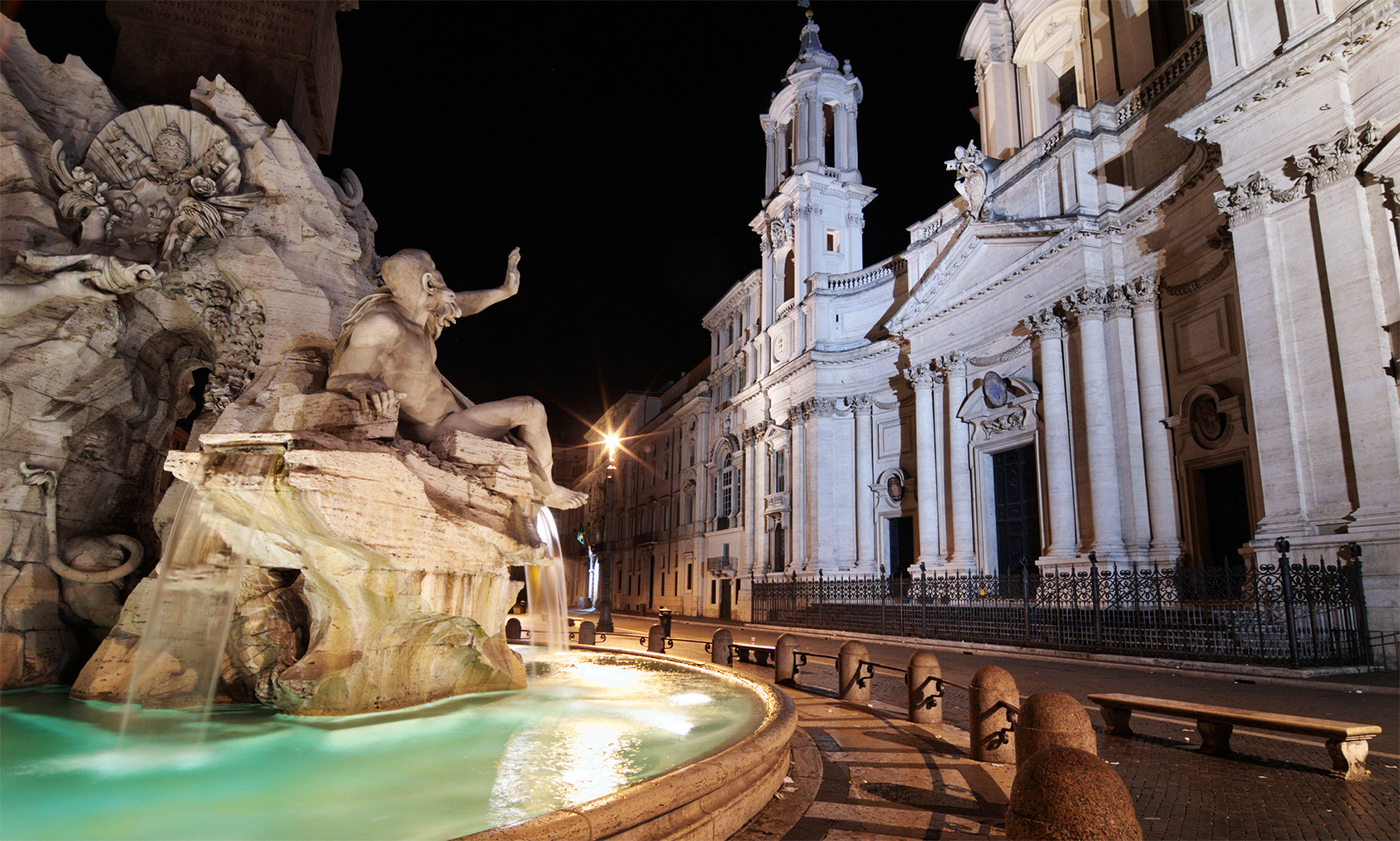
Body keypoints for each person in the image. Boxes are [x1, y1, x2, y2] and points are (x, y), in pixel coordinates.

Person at [327, 247, 586, 510]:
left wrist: (504, 291)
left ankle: (542, 484)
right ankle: (549, 490)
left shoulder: (418, 317)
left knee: (529, 409)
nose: (443, 277)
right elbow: (341, 378)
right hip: (437, 427)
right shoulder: (383, 324)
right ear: (428, 281)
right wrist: (360, 384)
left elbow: (460, 304)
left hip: (455, 414)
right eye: (437, 270)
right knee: (532, 409)